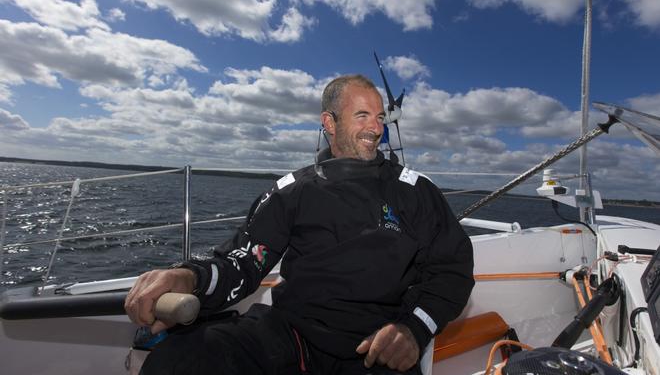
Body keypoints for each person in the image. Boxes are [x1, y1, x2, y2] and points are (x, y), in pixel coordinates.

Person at [125, 74, 474, 374]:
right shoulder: (293, 191)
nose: (377, 128)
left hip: (376, 346)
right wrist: (189, 277)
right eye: (363, 115)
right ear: (329, 123)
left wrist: (414, 329)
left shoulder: (415, 192)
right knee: (181, 360)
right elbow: (244, 262)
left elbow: (453, 270)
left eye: (380, 117)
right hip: (293, 335)